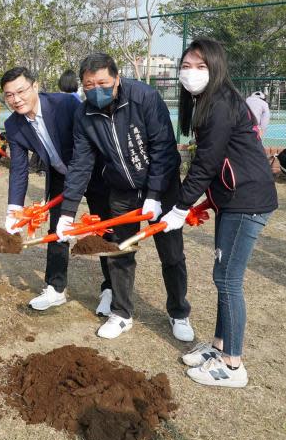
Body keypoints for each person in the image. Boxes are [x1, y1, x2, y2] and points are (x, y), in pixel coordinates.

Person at [160, 38, 277, 387]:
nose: (191, 73)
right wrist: (191, 202)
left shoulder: (222, 104)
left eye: (201, 66)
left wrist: (179, 207)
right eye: (186, 66)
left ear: (216, 69)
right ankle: (219, 347)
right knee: (222, 274)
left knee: (228, 280)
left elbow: (206, 163)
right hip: (232, 198)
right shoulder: (207, 101)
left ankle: (232, 365)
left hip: (247, 200)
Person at [57, 53, 193, 342]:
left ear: (117, 79)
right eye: (89, 85)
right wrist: (67, 212)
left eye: (103, 83)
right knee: (120, 252)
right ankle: (121, 313)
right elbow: (81, 163)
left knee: (171, 254)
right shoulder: (84, 115)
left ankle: (178, 311)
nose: (96, 89)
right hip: (121, 190)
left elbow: (163, 149)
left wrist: (155, 194)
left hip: (163, 189)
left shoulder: (144, 97)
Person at [2, 66, 113, 313]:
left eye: (20, 91)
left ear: (36, 87)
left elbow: (90, 142)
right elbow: (19, 169)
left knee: (105, 228)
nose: (16, 99)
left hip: (94, 172)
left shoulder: (64, 104)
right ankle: (55, 288)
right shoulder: (13, 125)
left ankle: (111, 289)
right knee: (58, 230)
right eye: (9, 95)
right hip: (62, 175)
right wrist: (14, 210)